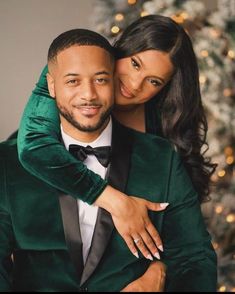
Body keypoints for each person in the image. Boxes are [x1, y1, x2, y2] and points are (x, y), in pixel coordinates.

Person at [0, 28, 216, 292]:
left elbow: (192, 257)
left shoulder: (161, 155)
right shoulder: (15, 157)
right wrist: (118, 203)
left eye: (154, 81)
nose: (135, 84)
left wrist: (161, 272)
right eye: (135, 64)